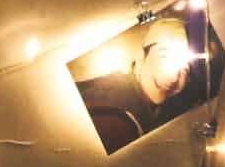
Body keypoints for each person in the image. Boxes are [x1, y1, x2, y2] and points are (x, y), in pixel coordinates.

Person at [75, 15, 201, 154]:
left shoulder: (164, 111)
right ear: (141, 56)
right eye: (164, 56)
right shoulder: (114, 119)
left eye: (185, 69)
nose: (173, 76)